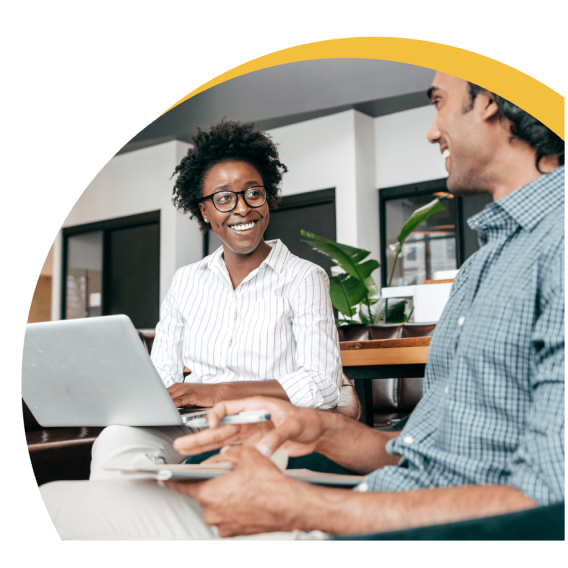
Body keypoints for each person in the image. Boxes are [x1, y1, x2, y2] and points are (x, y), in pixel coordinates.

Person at [40, 71, 564, 540]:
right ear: (204, 211)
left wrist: (302, 504)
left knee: (56, 503)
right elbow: (433, 452)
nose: (431, 129)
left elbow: (546, 498)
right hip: (362, 494)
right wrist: (324, 431)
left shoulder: (553, 249)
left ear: (492, 100)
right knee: (113, 452)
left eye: (437, 100)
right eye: (223, 198)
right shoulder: (483, 264)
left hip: (370, 517)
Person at [88, 120, 343, 480]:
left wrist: (218, 392)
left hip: (265, 423)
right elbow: (163, 373)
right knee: (116, 444)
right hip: (192, 422)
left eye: (253, 193)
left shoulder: (304, 277)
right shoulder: (187, 280)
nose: (242, 209)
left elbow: (322, 384)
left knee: (212, 468)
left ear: (267, 197)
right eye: (224, 198)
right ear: (205, 211)